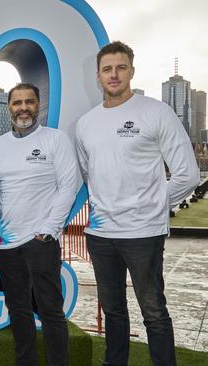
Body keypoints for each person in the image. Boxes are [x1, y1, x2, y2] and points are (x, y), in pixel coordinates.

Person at [75, 41, 200, 366]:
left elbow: (187, 175)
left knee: (153, 310)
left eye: (120, 67)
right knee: (113, 309)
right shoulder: (86, 124)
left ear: (131, 70)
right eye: (107, 69)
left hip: (144, 234)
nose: (113, 74)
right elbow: (91, 176)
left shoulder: (155, 112)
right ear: (98, 76)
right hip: (101, 236)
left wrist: (151, 206)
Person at [0, 83, 80, 366]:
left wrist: (48, 231)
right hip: (8, 245)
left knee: (51, 311)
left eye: (29, 102)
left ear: (39, 105)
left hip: (41, 243)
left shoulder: (55, 139)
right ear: (9, 107)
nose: (23, 107)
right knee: (19, 312)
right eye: (17, 103)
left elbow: (68, 188)